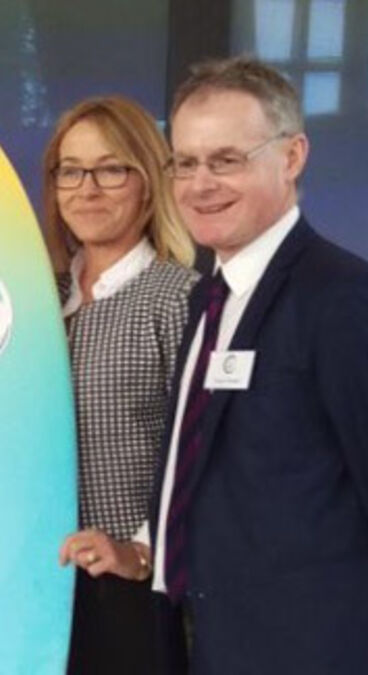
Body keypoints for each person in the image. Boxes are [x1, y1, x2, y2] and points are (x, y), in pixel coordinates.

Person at [147, 56, 368, 673]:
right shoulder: (206, 297)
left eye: (226, 160)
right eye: (185, 162)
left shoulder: (343, 298)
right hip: (204, 641)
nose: (200, 185)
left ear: (292, 156)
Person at [42, 96, 196, 674]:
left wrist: (140, 551)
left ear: (149, 183)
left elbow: (204, 454)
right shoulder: (33, 297)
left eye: (110, 170)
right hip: (31, 584)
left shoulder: (179, 298)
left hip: (126, 594)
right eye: (71, 171)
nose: (87, 189)